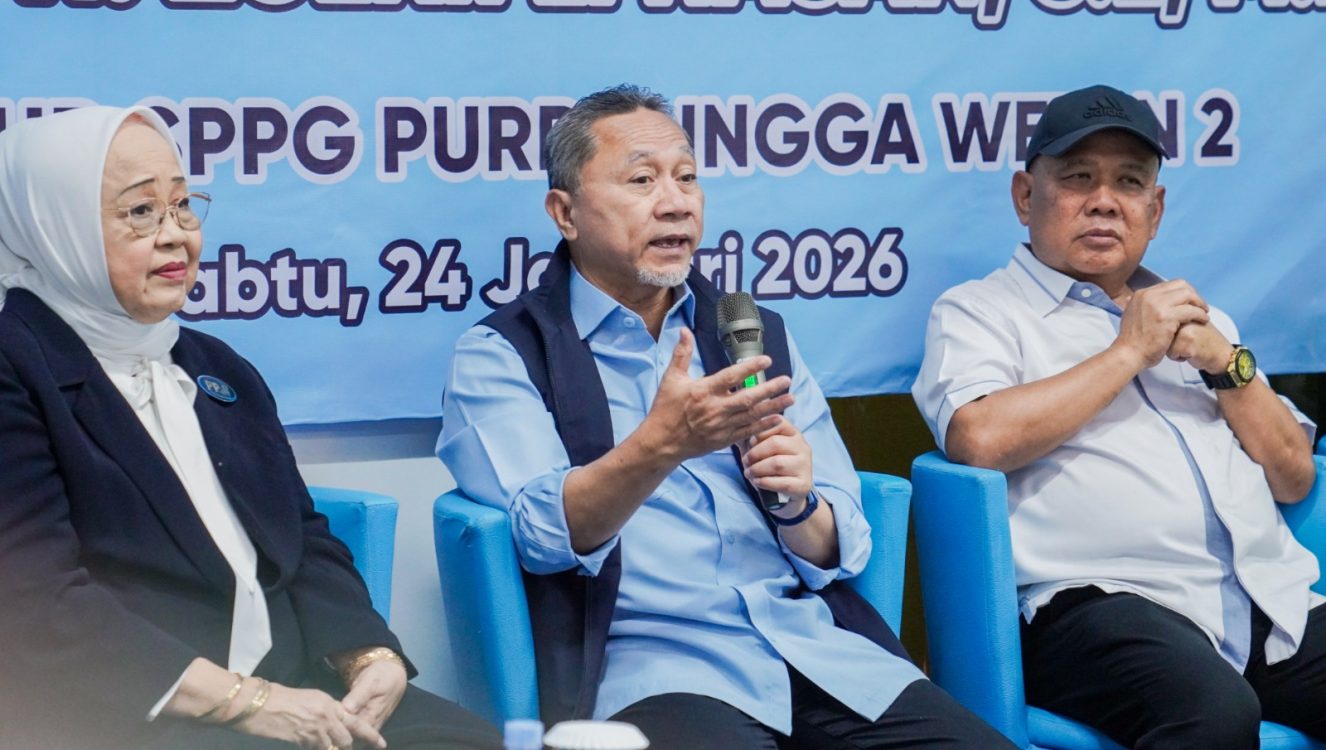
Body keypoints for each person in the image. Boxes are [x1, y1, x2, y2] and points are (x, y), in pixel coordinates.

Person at [438, 84, 1013, 750]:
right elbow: (540, 534)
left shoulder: (751, 331)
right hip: (659, 666)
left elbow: (845, 541)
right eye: (642, 180)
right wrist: (660, 446)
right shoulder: (503, 354)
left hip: (816, 650)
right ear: (565, 213)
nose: (675, 202)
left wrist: (797, 504)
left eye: (687, 178)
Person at [0, 106, 500, 750]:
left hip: (294, 684)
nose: (176, 236)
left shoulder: (214, 364)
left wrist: (367, 652)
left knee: (471, 742)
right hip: (133, 707)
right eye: (141, 211)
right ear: (52, 227)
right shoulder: (16, 369)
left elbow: (302, 537)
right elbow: (35, 605)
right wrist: (249, 703)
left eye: (183, 205)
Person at [912, 84, 1325, 748]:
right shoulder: (980, 311)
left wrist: (1227, 364)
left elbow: (1295, 475)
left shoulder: (1201, 317)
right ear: (1025, 195)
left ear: (1153, 211)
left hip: (1262, 598)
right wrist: (1129, 351)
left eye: (1129, 182)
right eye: (1078, 178)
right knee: (1213, 711)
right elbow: (978, 436)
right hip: (1096, 607)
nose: (1104, 201)